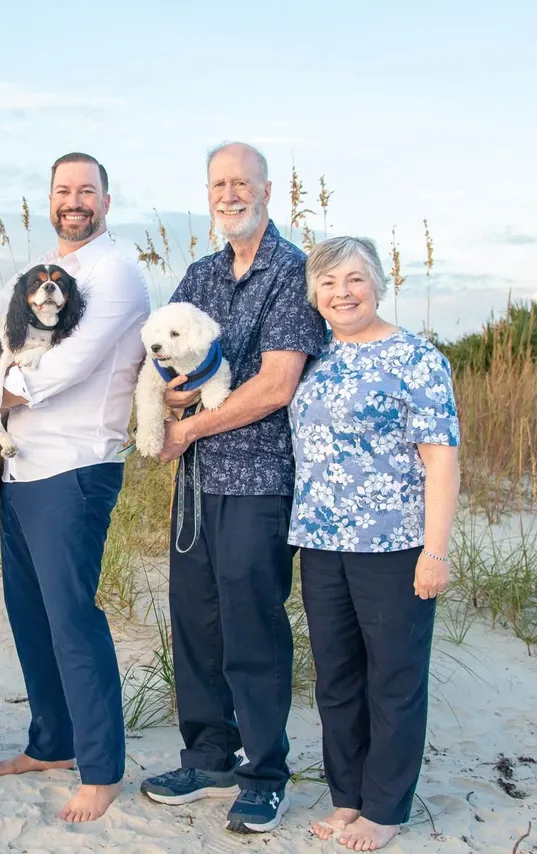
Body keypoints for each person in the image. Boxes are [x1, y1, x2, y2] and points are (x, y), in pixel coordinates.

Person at [0, 152, 150, 822]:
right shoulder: (31, 272)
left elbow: (65, 368)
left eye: (87, 190)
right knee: (29, 613)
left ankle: (101, 768)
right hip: (19, 462)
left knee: (71, 617)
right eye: (63, 190)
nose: (75, 200)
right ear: (49, 199)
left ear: (105, 198)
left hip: (76, 466)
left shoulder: (115, 273)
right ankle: (52, 742)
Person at [139, 142, 325, 834]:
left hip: (259, 478)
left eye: (242, 182)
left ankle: (264, 772)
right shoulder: (200, 272)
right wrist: (171, 403)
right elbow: (165, 356)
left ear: (268, 191)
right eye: (219, 183)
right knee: (196, 621)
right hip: (196, 485)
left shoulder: (293, 272)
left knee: (252, 627)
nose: (230, 193)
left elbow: (278, 385)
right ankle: (210, 755)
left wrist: (186, 430)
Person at [289, 236, 460, 851]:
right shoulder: (316, 360)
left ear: (378, 284)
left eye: (355, 279)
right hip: (319, 541)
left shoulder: (416, 358)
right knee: (335, 676)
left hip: (393, 545)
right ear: (315, 294)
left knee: (394, 677)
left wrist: (434, 550)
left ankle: (386, 808)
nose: (342, 293)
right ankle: (348, 798)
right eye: (329, 283)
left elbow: (441, 461)